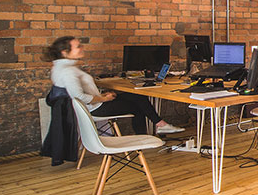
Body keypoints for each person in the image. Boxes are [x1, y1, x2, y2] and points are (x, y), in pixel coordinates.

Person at [45, 36, 184, 135]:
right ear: (65, 52)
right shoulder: (68, 71)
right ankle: (151, 132)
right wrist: (104, 99)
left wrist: (101, 95)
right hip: (96, 108)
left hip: (95, 104)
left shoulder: (60, 67)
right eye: (78, 46)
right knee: (138, 105)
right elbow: (79, 96)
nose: (82, 48)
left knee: (136, 96)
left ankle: (159, 126)